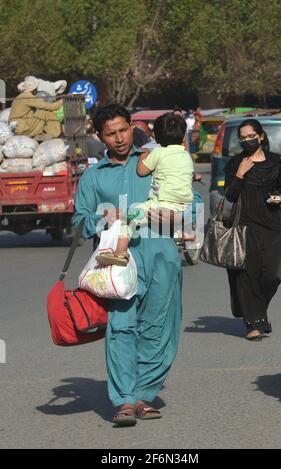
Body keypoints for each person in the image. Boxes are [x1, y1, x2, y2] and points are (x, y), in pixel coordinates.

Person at [73, 104, 202, 426]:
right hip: (116, 265)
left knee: (160, 329)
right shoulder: (93, 176)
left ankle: (145, 394)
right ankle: (125, 400)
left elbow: (193, 202)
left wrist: (177, 215)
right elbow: (78, 222)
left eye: (123, 130)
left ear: (132, 127)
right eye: (111, 133)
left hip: (161, 258)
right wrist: (103, 216)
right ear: (99, 136)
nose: (119, 139)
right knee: (121, 329)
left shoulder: (157, 161)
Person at [96, 112, 194, 266]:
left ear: (155, 137)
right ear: (182, 137)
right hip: (182, 205)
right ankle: (185, 231)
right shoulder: (186, 156)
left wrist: (144, 155)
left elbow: (141, 171)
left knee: (127, 219)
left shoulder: (159, 153)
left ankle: (120, 253)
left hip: (159, 204)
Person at [224, 119, 281, 341]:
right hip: (244, 225)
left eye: (251, 136)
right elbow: (230, 196)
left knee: (272, 276)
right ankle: (253, 323)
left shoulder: (276, 163)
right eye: (243, 138)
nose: (247, 141)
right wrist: (240, 173)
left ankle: (259, 313)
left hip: (273, 226)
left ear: (261, 136)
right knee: (246, 275)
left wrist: (278, 197)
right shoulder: (235, 163)